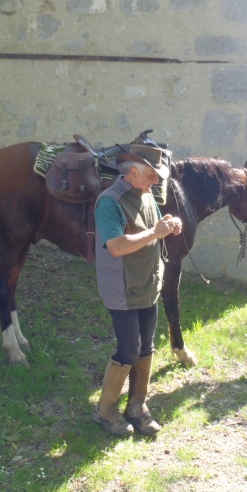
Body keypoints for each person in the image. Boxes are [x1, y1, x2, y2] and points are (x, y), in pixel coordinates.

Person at [92, 143, 183, 436]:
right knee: (129, 349)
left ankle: (136, 407)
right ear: (132, 172)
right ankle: (105, 412)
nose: (156, 181)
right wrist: (156, 232)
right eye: (152, 175)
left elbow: (155, 225)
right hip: (123, 289)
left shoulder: (145, 195)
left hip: (147, 285)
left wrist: (169, 224)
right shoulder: (109, 202)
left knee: (146, 347)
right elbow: (116, 246)